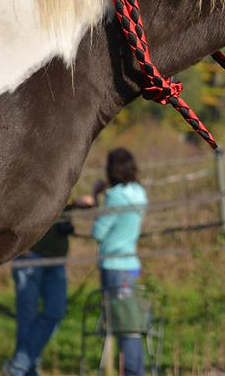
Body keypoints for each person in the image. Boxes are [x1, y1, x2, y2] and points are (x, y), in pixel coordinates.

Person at [3, 195, 94, 376]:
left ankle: (19, 366)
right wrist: (19, 245)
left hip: (56, 260)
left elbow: (84, 202)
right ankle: (26, 369)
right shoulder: (28, 177)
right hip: (30, 258)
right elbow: (9, 206)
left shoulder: (63, 179)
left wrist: (81, 200)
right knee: (27, 317)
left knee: (56, 312)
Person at [91, 148, 149, 376]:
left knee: (126, 328)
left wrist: (96, 197)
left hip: (114, 268)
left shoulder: (115, 197)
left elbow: (98, 231)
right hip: (132, 265)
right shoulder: (139, 192)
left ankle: (133, 372)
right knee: (130, 324)